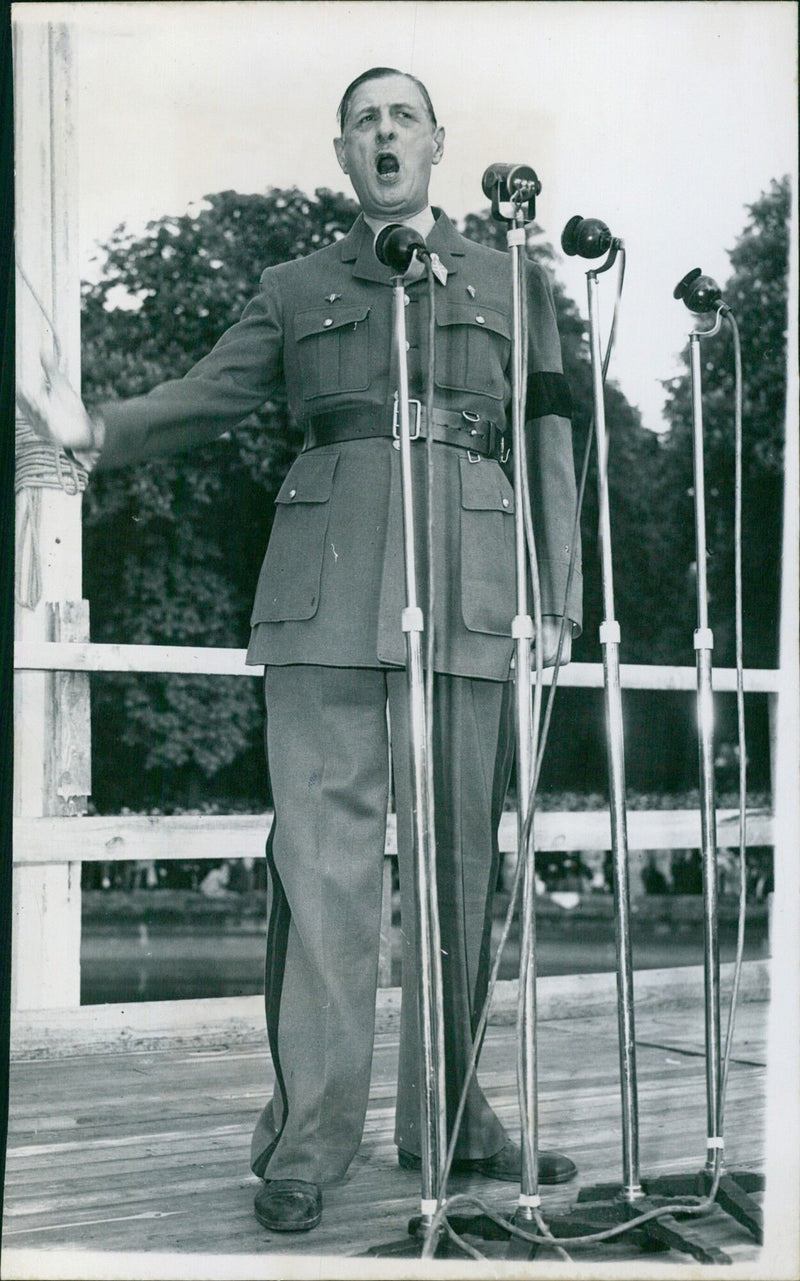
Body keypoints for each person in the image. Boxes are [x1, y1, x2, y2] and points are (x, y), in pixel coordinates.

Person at [18, 67, 583, 1234]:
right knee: (320, 881)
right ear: (342, 155)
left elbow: (549, 439)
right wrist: (95, 429)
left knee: (461, 873)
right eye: (363, 123)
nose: (384, 137)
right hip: (324, 595)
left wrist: (558, 590)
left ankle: (453, 1120)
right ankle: (309, 1141)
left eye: (402, 119)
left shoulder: (513, 277)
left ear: (437, 143)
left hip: (474, 589)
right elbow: (208, 395)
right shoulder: (292, 285)